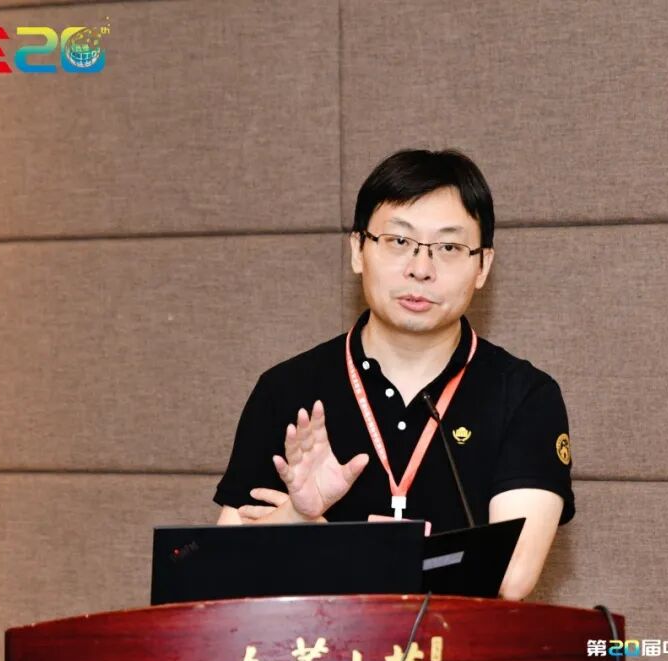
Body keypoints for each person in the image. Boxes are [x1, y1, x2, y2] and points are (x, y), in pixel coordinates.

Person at [213, 149, 574, 600]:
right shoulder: (287, 390)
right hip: (316, 645)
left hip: (458, 644)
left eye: (448, 248)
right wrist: (299, 516)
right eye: (399, 241)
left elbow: (509, 577)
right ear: (357, 250)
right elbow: (221, 570)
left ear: (482, 266)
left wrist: (316, 543)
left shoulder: (524, 397)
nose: (420, 269)